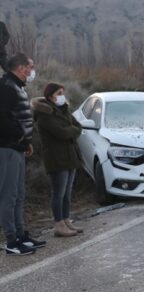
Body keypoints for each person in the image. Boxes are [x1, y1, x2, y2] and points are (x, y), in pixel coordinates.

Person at [0, 53, 44, 255]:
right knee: (8, 196)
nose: (32, 71)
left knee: (18, 195)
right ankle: (11, 241)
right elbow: (3, 117)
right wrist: (19, 137)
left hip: (17, 147)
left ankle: (20, 235)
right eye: (30, 66)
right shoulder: (7, 87)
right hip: (7, 148)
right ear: (20, 68)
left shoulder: (16, 86)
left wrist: (26, 142)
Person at [32, 83, 83, 238]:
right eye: (59, 93)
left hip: (70, 156)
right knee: (58, 193)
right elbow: (62, 133)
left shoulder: (64, 109)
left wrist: (72, 131)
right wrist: (72, 131)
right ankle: (59, 224)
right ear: (50, 96)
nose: (62, 96)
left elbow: (78, 126)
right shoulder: (44, 115)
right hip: (57, 158)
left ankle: (66, 220)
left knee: (67, 193)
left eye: (63, 92)